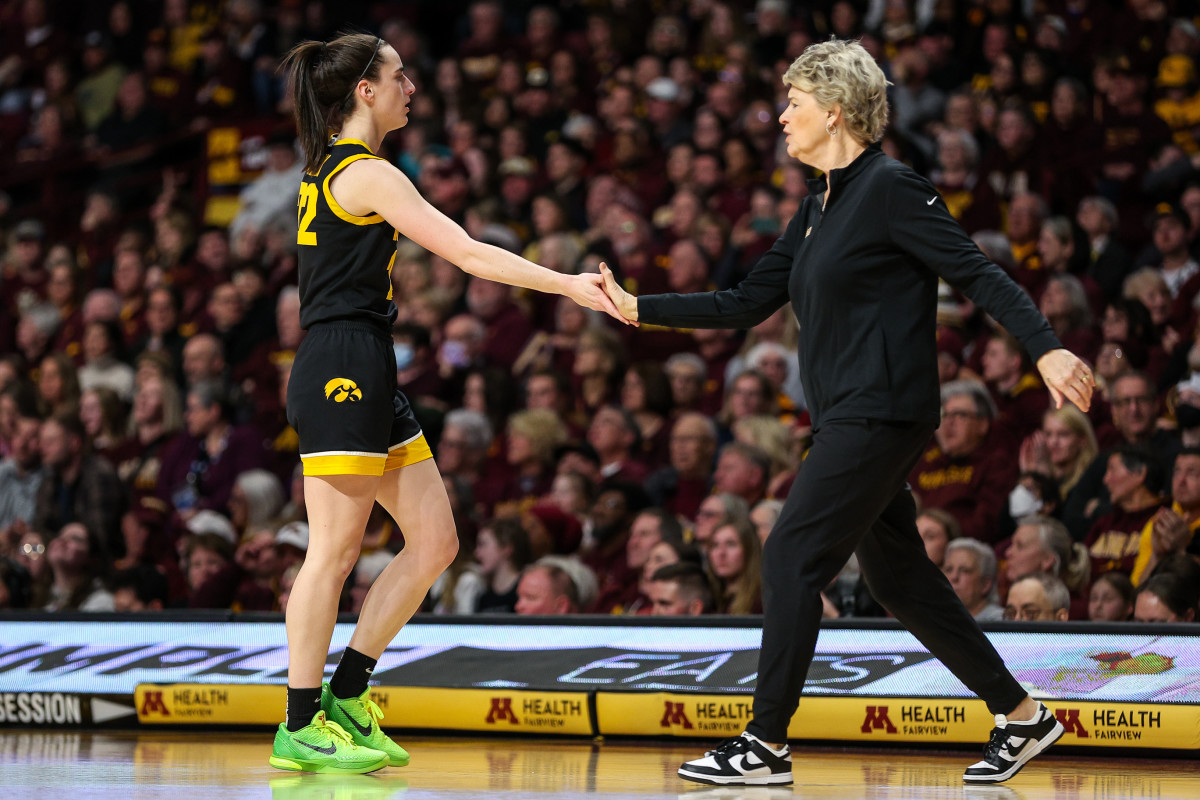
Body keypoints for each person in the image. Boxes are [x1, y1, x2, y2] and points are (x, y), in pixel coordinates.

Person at [600, 39, 1095, 786]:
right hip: (845, 418)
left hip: (881, 410)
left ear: (834, 111)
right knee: (900, 581)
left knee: (790, 555)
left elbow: (977, 270)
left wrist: (1046, 348)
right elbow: (744, 303)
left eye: (792, 103)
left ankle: (765, 742)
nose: (779, 117)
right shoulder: (815, 206)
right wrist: (640, 308)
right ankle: (1022, 716)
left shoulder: (893, 188)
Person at [273, 32, 629, 775]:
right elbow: (467, 252)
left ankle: (347, 693)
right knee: (334, 552)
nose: (412, 87)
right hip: (341, 361)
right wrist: (567, 284)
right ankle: (298, 721)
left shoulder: (336, 168)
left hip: (365, 360)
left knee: (435, 541)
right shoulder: (365, 173)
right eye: (401, 75)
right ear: (365, 91)